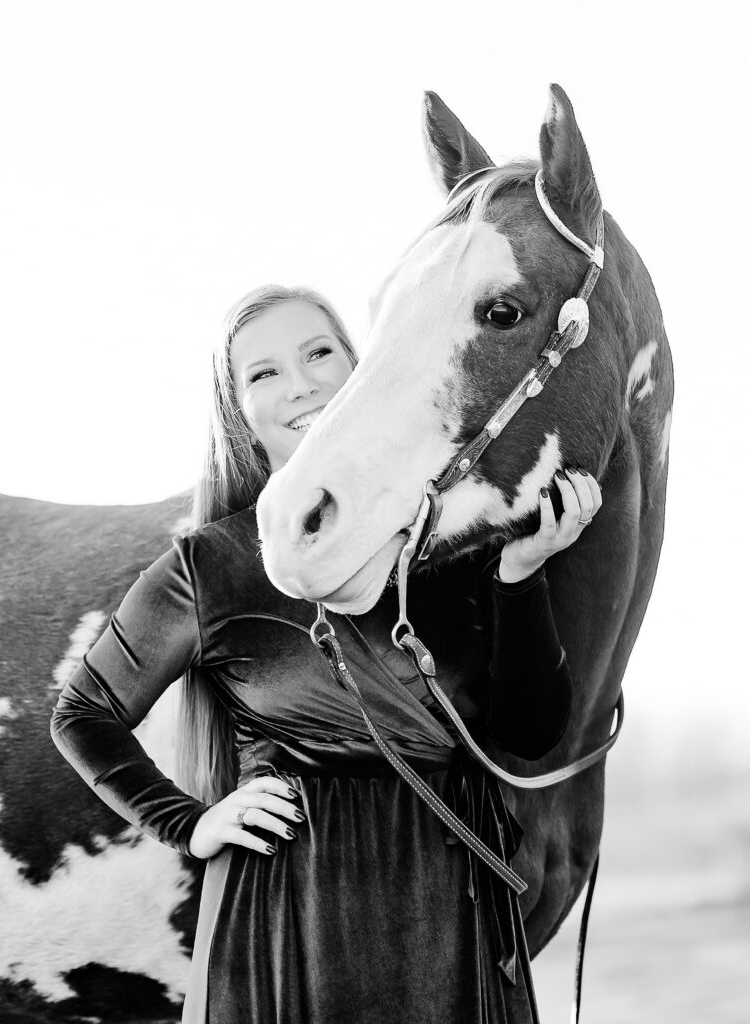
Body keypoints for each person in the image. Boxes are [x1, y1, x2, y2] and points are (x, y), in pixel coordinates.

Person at [50, 284, 601, 1024]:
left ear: (362, 371)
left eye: (319, 354)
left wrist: (520, 574)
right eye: (264, 373)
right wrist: (191, 822)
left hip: (450, 902)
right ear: (239, 413)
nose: (302, 384)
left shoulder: (454, 542)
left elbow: (531, 734)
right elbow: (83, 713)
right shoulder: (209, 568)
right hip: (286, 918)